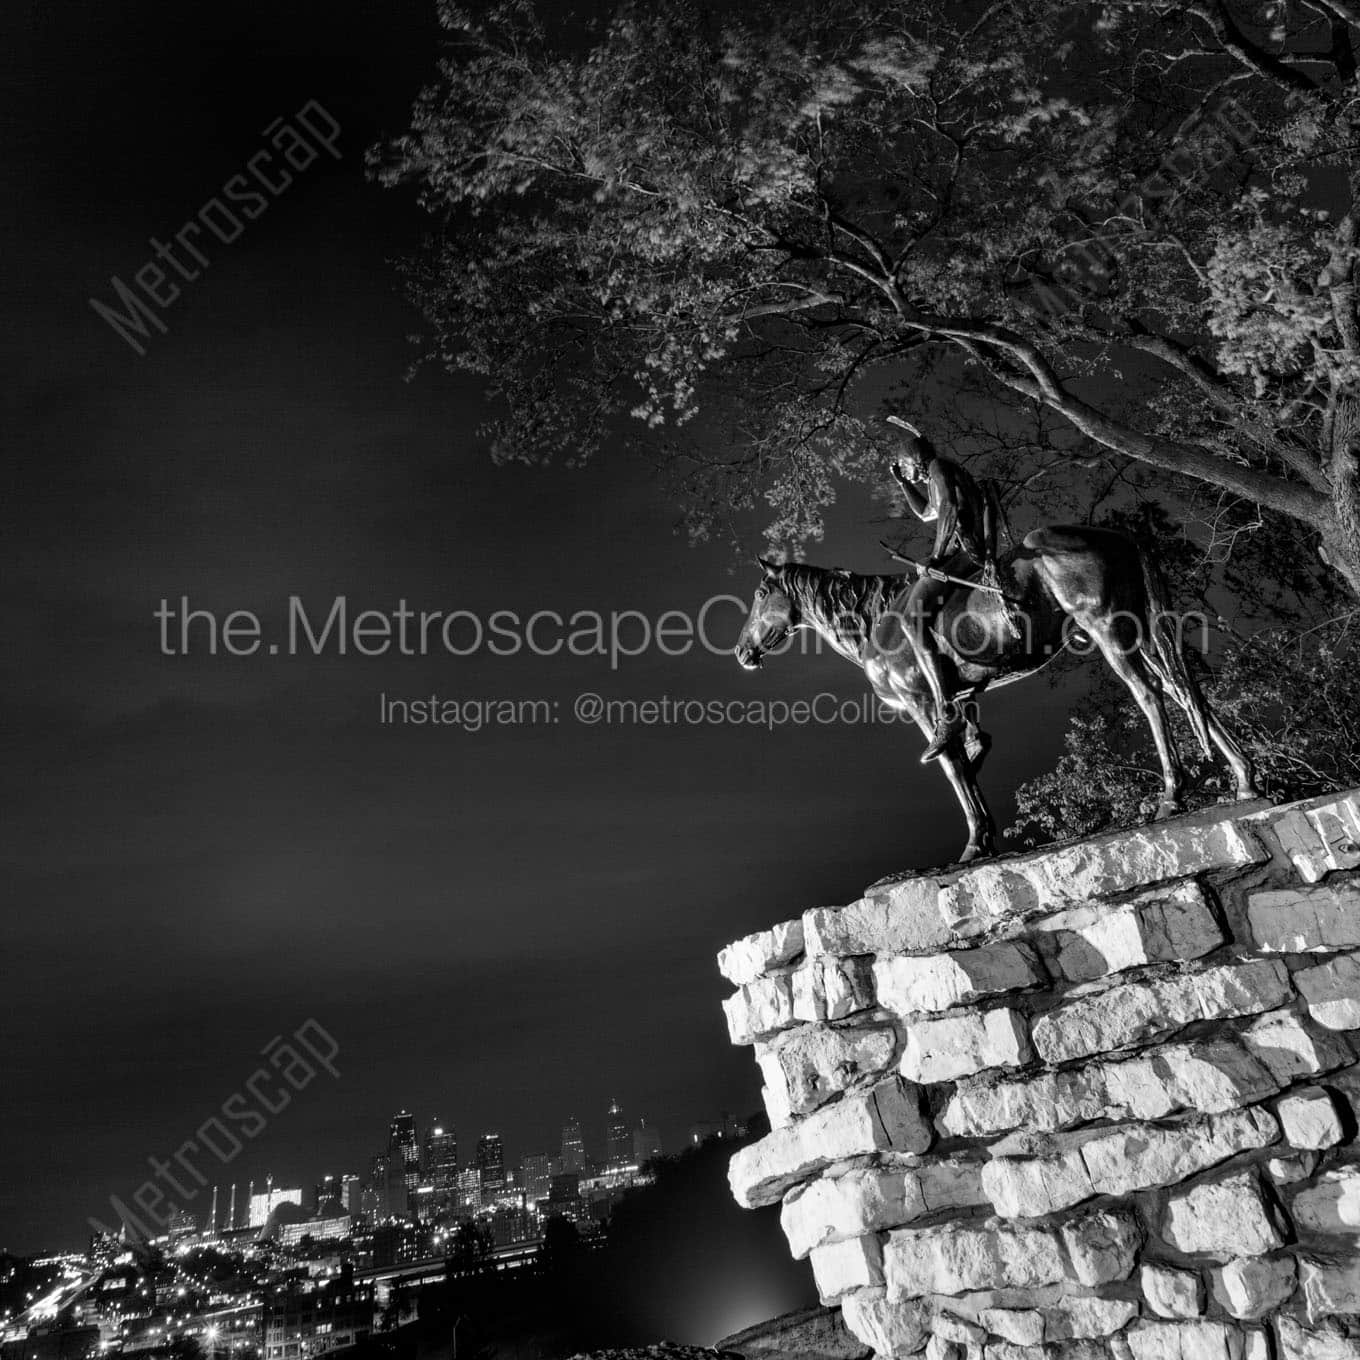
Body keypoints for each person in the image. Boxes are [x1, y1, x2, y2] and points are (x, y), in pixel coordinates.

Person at [887, 415, 1000, 764]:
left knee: (910, 619)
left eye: (905, 467)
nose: (905, 472)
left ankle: (946, 711)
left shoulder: (938, 468)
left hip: (963, 551)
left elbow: (949, 509)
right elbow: (926, 513)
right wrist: (902, 485)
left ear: (914, 457)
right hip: (959, 550)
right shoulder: (939, 474)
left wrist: (935, 557)